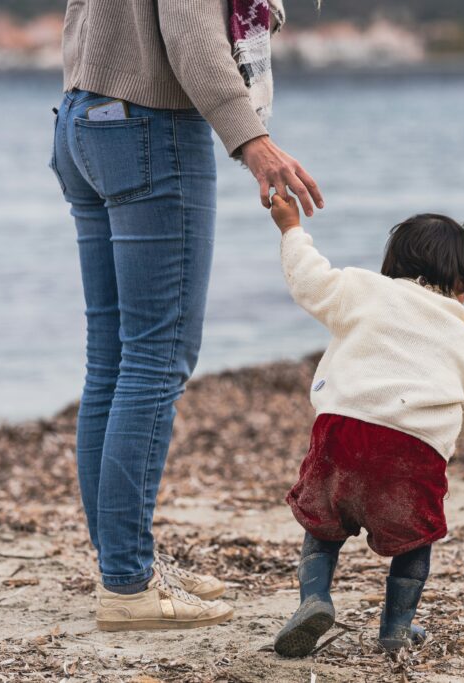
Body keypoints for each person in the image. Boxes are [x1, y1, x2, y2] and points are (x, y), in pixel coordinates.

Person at [49, 0, 323, 632]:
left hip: (82, 117)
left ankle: (123, 565)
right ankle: (126, 583)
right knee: (154, 359)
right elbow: (190, 31)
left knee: (114, 361)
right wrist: (252, 140)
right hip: (149, 128)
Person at [267, 195, 464, 656]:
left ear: (394, 262)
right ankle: (395, 629)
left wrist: (291, 227)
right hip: (413, 451)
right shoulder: (462, 330)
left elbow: (309, 280)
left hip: (342, 433)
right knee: (415, 539)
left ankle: (314, 599)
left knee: (323, 524)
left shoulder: (362, 289)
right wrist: (460, 430)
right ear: (458, 282)